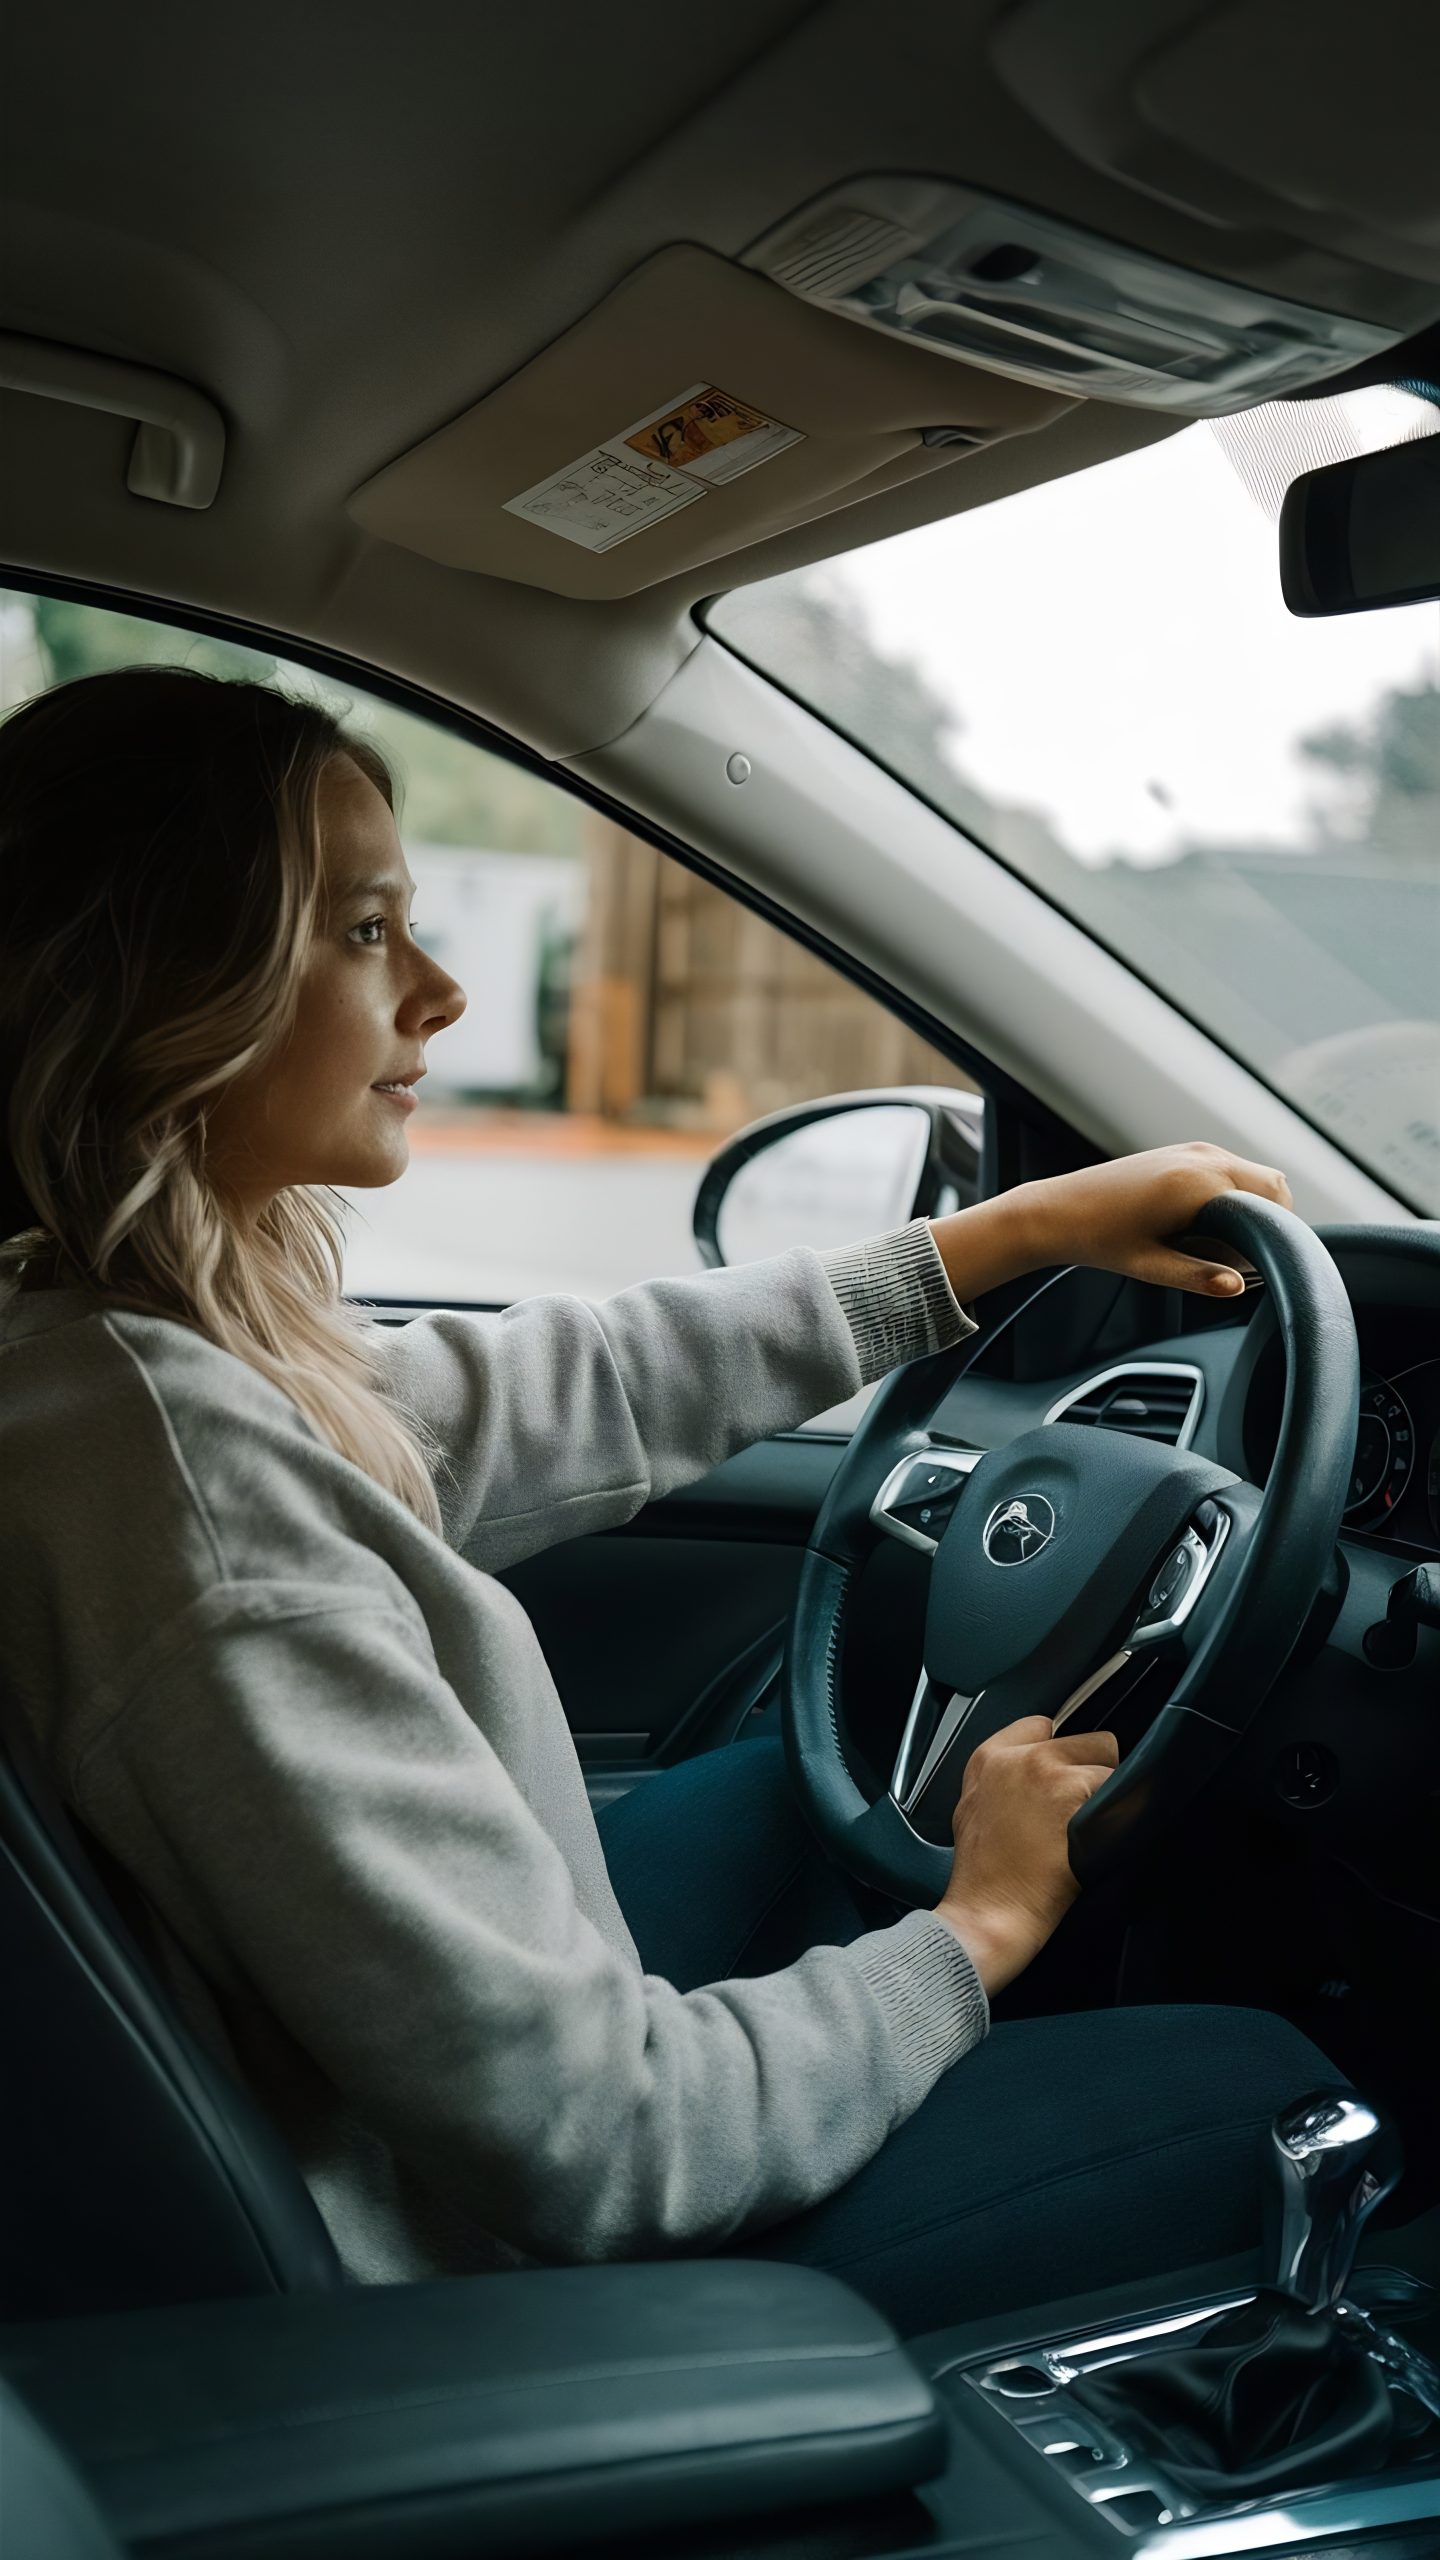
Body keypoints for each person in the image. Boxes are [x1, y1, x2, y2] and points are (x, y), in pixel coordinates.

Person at [0, 668, 1341, 2335]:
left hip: (378, 2120)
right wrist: (980, 1928)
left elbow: (547, 1394)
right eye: (364, 931)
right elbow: (610, 2146)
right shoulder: (187, 1507)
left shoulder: (92, 1357)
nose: (441, 993)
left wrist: (1001, 1241)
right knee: (1268, 2077)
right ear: (159, 990)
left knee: (790, 1800)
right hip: (464, 2288)